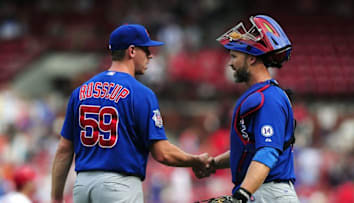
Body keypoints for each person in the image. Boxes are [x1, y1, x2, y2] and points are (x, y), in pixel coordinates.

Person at [51, 24, 212, 203]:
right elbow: (163, 153)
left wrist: (56, 197)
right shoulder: (141, 93)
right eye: (146, 49)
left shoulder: (80, 92)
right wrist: (195, 160)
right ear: (132, 51)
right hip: (118, 186)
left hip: (82, 187)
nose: (150, 55)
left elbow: (64, 150)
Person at [194, 15, 299, 202]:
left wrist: (242, 194)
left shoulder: (268, 98)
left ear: (251, 59)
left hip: (269, 193)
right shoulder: (261, 95)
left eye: (234, 56)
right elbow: (248, 149)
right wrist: (214, 164)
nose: (230, 63)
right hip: (262, 192)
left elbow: (268, 151)